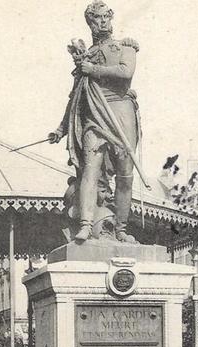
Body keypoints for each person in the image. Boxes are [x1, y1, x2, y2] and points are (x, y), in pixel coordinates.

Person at [49, 1, 140, 243]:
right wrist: (60, 128)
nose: (103, 22)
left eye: (106, 17)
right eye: (97, 18)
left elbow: (125, 72)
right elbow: (76, 94)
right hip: (93, 116)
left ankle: (120, 228)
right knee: (89, 168)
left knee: (124, 172)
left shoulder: (125, 46)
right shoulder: (85, 57)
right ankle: (86, 225)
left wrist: (94, 69)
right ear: (90, 22)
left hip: (120, 111)